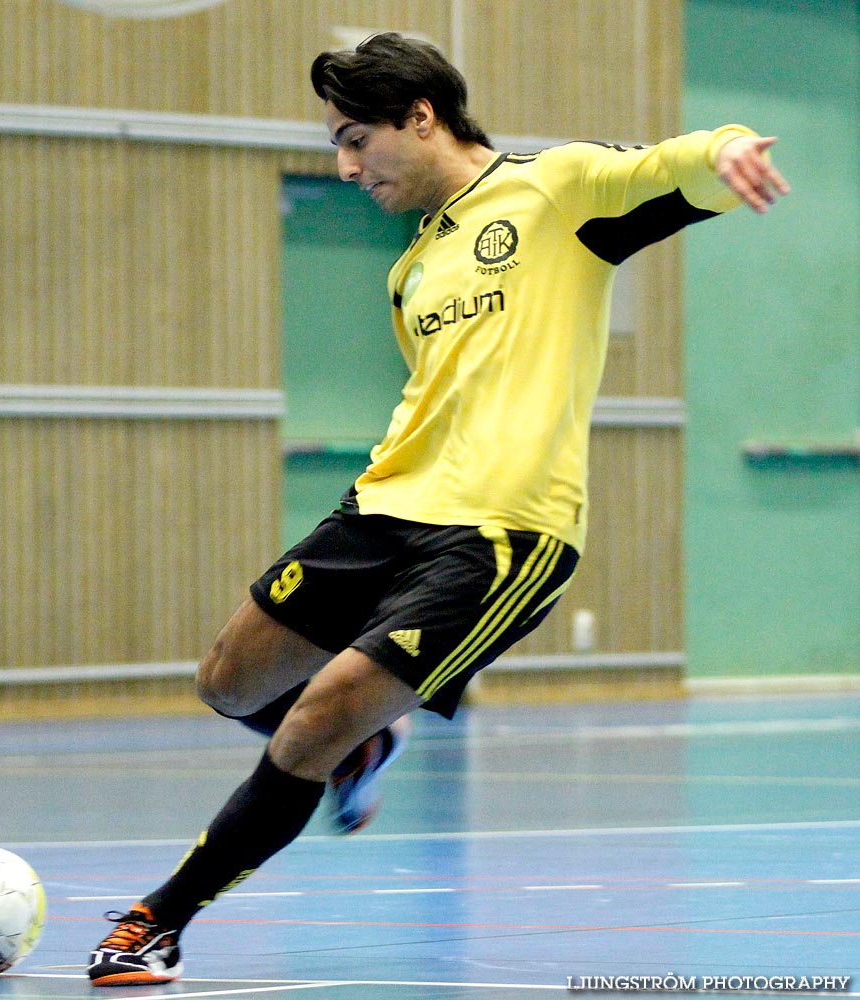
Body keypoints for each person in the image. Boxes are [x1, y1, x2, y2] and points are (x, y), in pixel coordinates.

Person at [86, 32, 790, 986]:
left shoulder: (556, 193)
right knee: (228, 681)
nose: (344, 168)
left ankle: (154, 922)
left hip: (503, 534)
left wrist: (729, 150)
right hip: (383, 508)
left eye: (354, 140)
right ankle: (366, 741)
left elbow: (679, 166)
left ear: (421, 117)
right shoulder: (409, 268)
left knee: (308, 725)